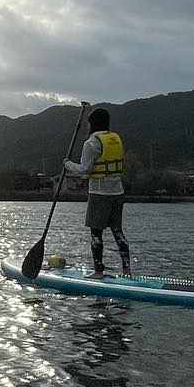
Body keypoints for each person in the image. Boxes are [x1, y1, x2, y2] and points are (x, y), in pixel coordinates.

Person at [64, 106, 132, 276]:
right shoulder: (115, 139)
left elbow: (85, 170)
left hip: (99, 193)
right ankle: (127, 270)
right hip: (118, 191)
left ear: (92, 124)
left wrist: (67, 164)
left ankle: (98, 271)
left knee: (96, 232)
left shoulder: (91, 143)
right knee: (117, 230)